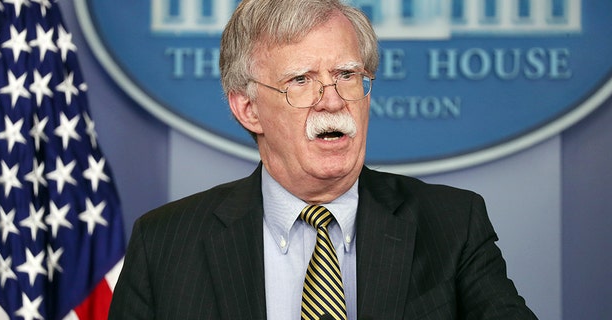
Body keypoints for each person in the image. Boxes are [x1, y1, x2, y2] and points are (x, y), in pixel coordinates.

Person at [108, 0, 538, 319]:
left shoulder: (452, 223)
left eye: (347, 76)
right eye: (301, 80)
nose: (332, 101)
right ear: (248, 109)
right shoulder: (164, 244)